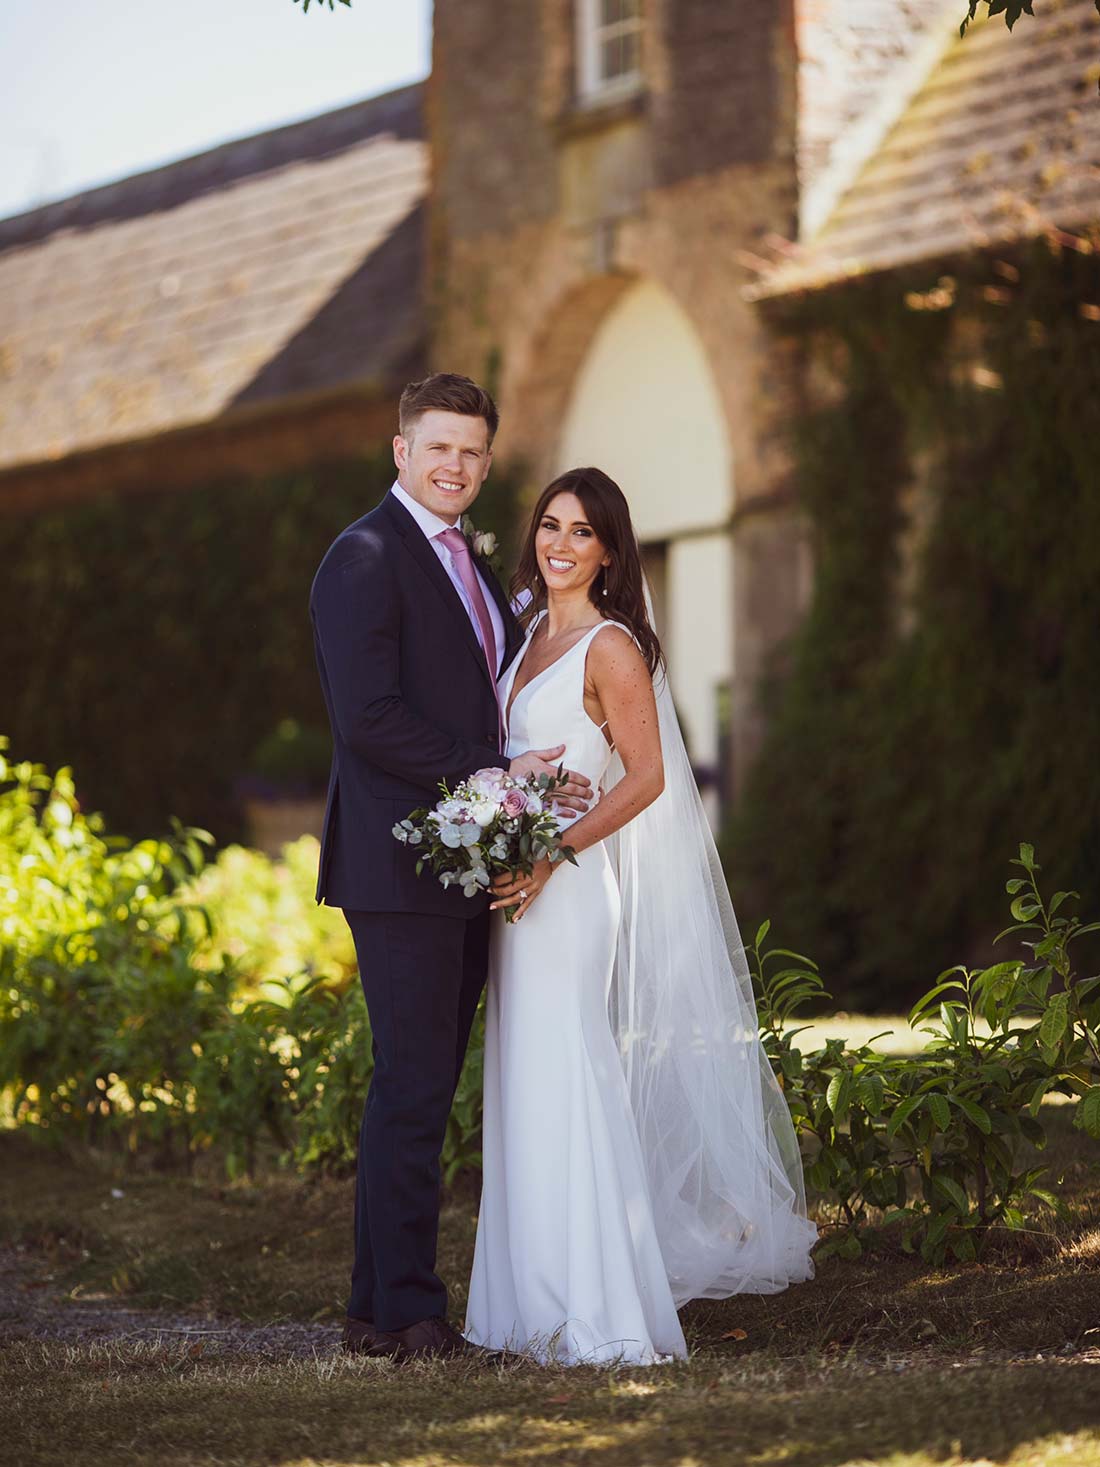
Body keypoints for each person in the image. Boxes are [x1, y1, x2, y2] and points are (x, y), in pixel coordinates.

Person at [465, 467, 819, 1365]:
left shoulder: (610, 646)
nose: (560, 544)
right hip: (517, 893)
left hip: (569, 888)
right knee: (522, 1082)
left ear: (611, 554)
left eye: (582, 532)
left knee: (570, 1075)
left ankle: (596, 1308)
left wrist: (552, 849)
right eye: (551, 525)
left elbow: (649, 776)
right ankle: (524, 1303)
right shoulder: (528, 634)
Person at [308, 373, 594, 1363]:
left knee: (417, 1084)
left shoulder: (468, 560)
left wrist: (528, 778)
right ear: (402, 450)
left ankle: (374, 1310)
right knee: (414, 1087)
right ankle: (411, 1315)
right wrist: (493, 769)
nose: (455, 465)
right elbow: (368, 718)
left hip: (463, 861)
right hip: (397, 867)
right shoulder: (362, 557)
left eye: (471, 451)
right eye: (438, 446)